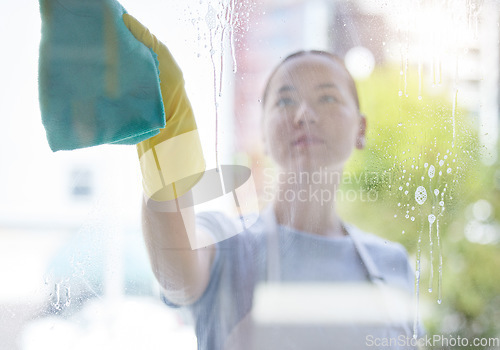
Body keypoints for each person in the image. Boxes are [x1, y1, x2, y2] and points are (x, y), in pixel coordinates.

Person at [125, 16, 419, 350]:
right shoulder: (226, 242)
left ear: (361, 129)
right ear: (263, 133)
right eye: (285, 100)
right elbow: (176, 276)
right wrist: (163, 127)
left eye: (327, 98)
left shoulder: (391, 264)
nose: (303, 114)